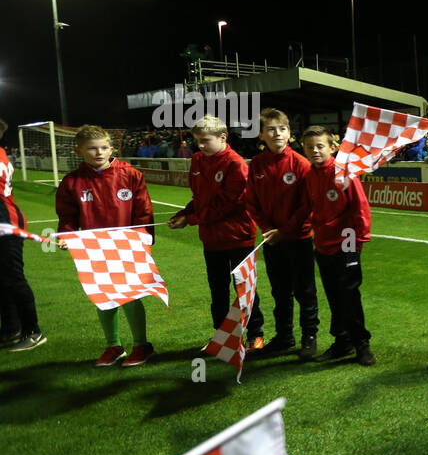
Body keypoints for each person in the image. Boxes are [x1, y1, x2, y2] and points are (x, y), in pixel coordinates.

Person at [54, 125, 156, 366]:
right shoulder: (72, 182)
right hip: (92, 248)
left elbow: (144, 212)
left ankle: (142, 345)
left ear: (111, 148)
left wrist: (144, 241)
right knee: (103, 296)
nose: (99, 152)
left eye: (103, 147)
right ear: (78, 150)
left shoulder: (130, 174)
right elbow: (67, 216)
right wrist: (66, 235)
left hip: (127, 245)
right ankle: (114, 345)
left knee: (130, 295)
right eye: (92, 148)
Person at [167, 115, 265, 350]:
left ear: (223, 137)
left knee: (244, 287)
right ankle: (223, 337)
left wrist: (190, 220)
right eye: (197, 141)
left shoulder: (236, 163)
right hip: (211, 238)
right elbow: (199, 198)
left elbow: (226, 205)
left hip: (238, 236)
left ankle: (255, 334)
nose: (199, 146)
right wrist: (185, 212)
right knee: (217, 290)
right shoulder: (198, 160)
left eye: (204, 140)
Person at [245, 108, 319, 358]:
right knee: (280, 292)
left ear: (289, 133)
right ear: (261, 134)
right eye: (271, 129)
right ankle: (284, 336)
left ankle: (309, 337)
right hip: (272, 241)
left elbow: (307, 205)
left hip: (298, 240)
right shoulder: (256, 164)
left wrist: (284, 231)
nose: (277, 133)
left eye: (282, 129)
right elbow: (251, 202)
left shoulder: (300, 163)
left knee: (305, 291)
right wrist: (267, 229)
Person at [299, 126, 375, 365]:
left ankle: (362, 344)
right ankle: (342, 342)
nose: (315, 151)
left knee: (350, 296)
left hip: (347, 244)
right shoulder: (310, 176)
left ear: (332, 148)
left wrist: (358, 242)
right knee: (333, 296)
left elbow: (360, 208)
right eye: (310, 147)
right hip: (322, 244)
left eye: (320, 146)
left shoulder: (344, 173)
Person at [0, 117, 45, 351]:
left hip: (5, 221)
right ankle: (11, 328)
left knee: (13, 277)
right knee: (3, 278)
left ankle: (33, 331)